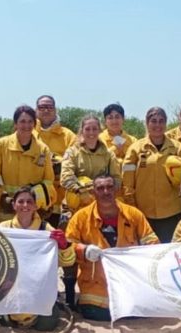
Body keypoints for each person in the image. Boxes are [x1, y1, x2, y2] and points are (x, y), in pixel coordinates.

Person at [65, 174, 159, 321]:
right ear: (93, 192)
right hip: (96, 291)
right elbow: (67, 248)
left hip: (129, 284)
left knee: (135, 313)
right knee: (97, 313)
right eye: (100, 188)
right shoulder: (80, 218)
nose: (106, 192)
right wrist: (84, 250)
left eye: (109, 187)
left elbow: (152, 242)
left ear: (116, 190)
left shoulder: (133, 214)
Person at [59, 114, 121, 309]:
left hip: (101, 210)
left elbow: (117, 179)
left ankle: (99, 294)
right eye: (88, 129)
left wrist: (103, 190)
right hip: (75, 208)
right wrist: (83, 188)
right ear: (82, 131)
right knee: (70, 254)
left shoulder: (108, 153)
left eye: (95, 129)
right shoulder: (72, 152)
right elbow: (65, 177)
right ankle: (70, 297)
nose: (92, 133)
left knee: (97, 251)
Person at [0, 187, 74, 331]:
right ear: (14, 205)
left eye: (29, 202)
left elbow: (67, 262)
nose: (25, 205)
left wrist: (64, 246)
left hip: (38, 288)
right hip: (12, 287)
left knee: (47, 324)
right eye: (20, 202)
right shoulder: (4, 227)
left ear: (35, 205)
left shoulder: (46, 229)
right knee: (7, 320)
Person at [122, 107, 181, 243]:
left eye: (161, 121)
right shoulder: (135, 149)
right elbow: (127, 181)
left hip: (172, 212)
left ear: (166, 123)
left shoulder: (177, 147)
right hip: (143, 213)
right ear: (147, 123)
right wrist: (131, 206)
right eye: (154, 121)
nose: (157, 125)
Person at [0, 105, 55, 224]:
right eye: (22, 121)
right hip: (3, 211)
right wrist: (4, 198)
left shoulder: (43, 149)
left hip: (30, 212)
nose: (26, 125)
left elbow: (48, 180)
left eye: (30, 121)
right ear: (15, 124)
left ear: (35, 124)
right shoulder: (1, 145)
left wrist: (42, 201)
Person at [33, 95, 77, 226]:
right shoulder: (29, 132)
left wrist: (55, 162)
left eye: (49, 107)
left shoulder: (68, 135)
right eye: (42, 107)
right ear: (36, 110)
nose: (46, 110)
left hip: (60, 200)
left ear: (55, 109)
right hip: (33, 202)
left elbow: (75, 162)